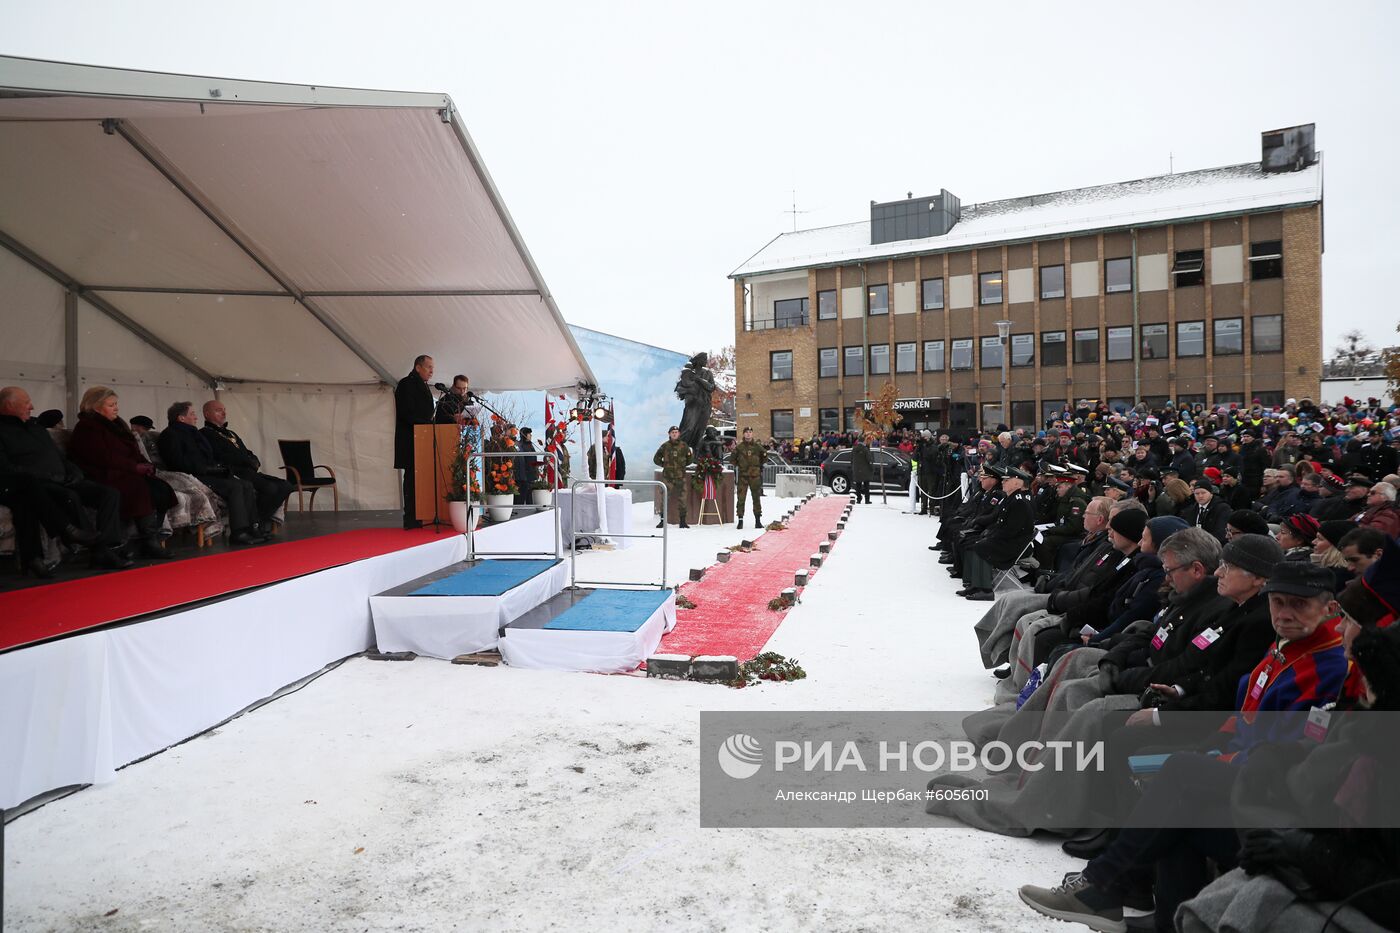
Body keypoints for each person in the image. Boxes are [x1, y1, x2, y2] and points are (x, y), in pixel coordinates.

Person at [0, 385, 127, 569]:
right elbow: (6, 467)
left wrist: (73, 471)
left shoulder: (36, 427)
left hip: (64, 478)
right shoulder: (2, 431)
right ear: (10, 405)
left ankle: (108, 545)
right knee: (70, 497)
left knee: (109, 494)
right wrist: (47, 476)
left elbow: (58, 456)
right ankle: (100, 551)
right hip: (38, 483)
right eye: (27, 402)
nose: (32, 406)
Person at [67, 386, 176, 561]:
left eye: (116, 404)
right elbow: (103, 457)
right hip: (102, 474)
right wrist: (134, 468)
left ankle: (149, 539)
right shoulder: (87, 427)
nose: (116, 408)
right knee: (138, 486)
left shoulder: (117, 425)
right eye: (111, 405)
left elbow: (133, 450)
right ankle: (139, 542)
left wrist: (145, 464)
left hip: (124, 471)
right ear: (95, 407)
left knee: (160, 488)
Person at [158, 401, 266, 546]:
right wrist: (206, 468)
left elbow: (209, 456)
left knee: (245, 484)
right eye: (192, 414)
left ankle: (253, 527)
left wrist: (217, 468)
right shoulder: (170, 435)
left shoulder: (194, 433)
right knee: (235, 487)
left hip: (208, 472)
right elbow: (177, 461)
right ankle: (238, 532)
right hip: (192, 476)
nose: (196, 417)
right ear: (181, 418)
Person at [201, 400, 294, 533]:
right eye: (218, 410)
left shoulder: (231, 433)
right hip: (235, 472)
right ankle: (255, 525)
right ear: (207, 414)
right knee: (270, 488)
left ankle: (259, 521)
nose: (223, 413)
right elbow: (221, 456)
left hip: (248, 470)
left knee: (286, 486)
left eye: (224, 409)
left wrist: (253, 459)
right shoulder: (205, 434)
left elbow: (245, 451)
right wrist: (246, 460)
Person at [394, 355, 436, 529]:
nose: (432, 371)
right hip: (411, 438)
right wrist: (425, 424)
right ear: (418, 367)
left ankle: (423, 513)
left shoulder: (424, 385)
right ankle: (411, 516)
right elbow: (406, 412)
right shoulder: (406, 384)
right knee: (411, 478)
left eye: (433, 368)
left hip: (422, 437)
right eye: (428, 367)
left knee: (421, 478)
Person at [653, 425, 692, 529]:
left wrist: (682, 466)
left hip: (681, 477)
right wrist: (665, 465)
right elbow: (656, 459)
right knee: (664, 498)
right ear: (669, 434)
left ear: (679, 434)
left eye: (676, 432)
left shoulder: (684, 446)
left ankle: (683, 521)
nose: (674, 434)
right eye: (672, 432)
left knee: (683, 499)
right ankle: (662, 521)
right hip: (668, 478)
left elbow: (690, 459)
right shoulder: (665, 446)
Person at [729, 425, 764, 530]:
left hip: (755, 477)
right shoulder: (739, 447)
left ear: (752, 434)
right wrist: (741, 465)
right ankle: (740, 520)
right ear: (743, 434)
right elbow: (732, 460)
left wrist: (757, 467)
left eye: (750, 432)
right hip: (743, 477)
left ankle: (758, 520)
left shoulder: (757, 447)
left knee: (756, 498)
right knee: (741, 499)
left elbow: (764, 457)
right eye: (746, 432)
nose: (748, 434)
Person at [514, 426, 538, 504]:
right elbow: (520, 462)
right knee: (521, 499)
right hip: (524, 477)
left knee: (530, 499)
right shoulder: (520, 446)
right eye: (529, 434)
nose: (531, 435)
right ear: (524, 435)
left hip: (531, 475)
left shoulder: (530, 445)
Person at [852, 435, 872, 504]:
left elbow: (851, 459)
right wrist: (871, 468)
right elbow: (869, 459)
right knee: (866, 486)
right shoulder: (865, 449)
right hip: (865, 470)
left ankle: (858, 499)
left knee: (858, 486)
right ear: (863, 441)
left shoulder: (854, 449)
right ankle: (867, 500)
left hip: (857, 470)